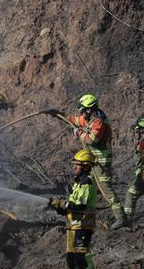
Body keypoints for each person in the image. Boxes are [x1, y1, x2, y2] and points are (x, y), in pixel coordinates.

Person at [42, 94, 126, 229]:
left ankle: (122, 218)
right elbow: (73, 120)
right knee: (86, 186)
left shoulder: (99, 120)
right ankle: (78, 213)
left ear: (88, 109)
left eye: (82, 110)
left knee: (106, 190)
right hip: (93, 160)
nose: (80, 113)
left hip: (100, 162)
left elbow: (92, 139)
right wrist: (57, 114)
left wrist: (78, 133)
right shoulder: (89, 118)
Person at [48, 149, 99, 269]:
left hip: (83, 226)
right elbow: (71, 207)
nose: (74, 167)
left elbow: (78, 206)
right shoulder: (78, 183)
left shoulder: (87, 183)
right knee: (71, 258)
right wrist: (60, 208)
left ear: (86, 166)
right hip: (72, 226)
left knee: (81, 258)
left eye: (77, 165)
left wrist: (63, 204)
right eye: (74, 165)